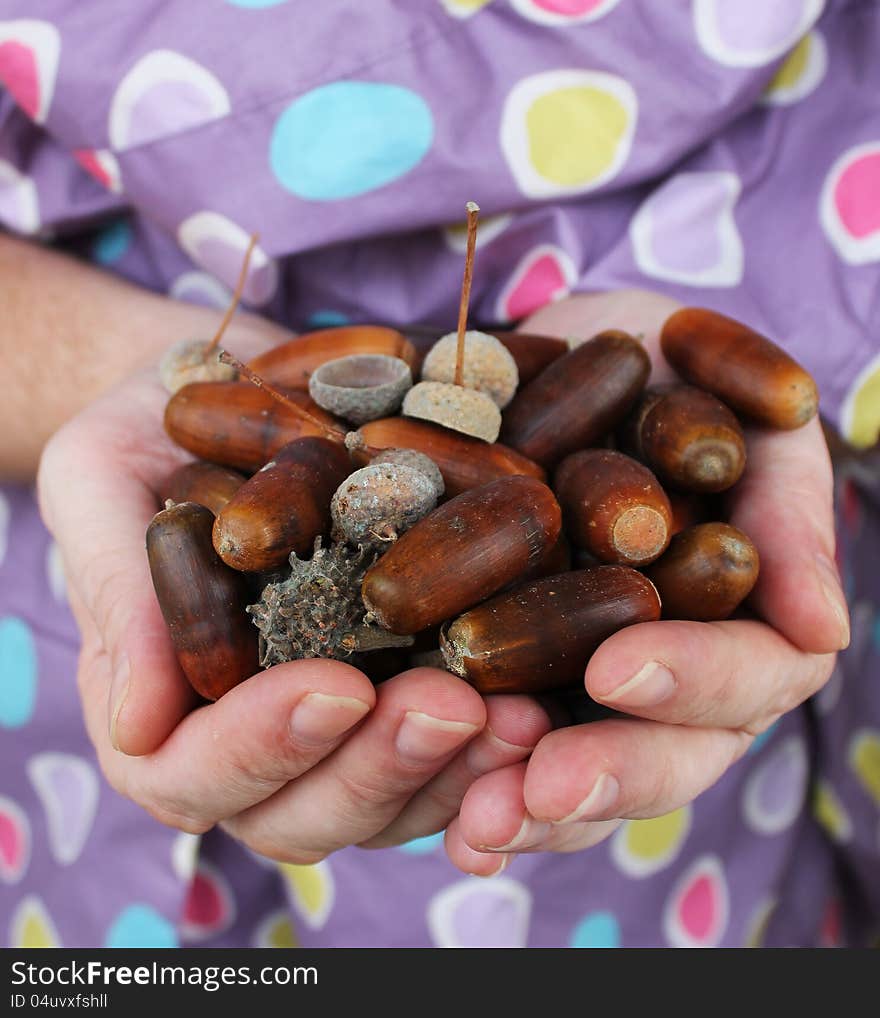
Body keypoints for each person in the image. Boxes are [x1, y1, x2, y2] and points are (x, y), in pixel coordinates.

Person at [1, 0, 877, 949]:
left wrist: (790, 346)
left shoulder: (513, 470)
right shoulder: (312, 479)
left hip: (656, 844)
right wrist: (87, 368)